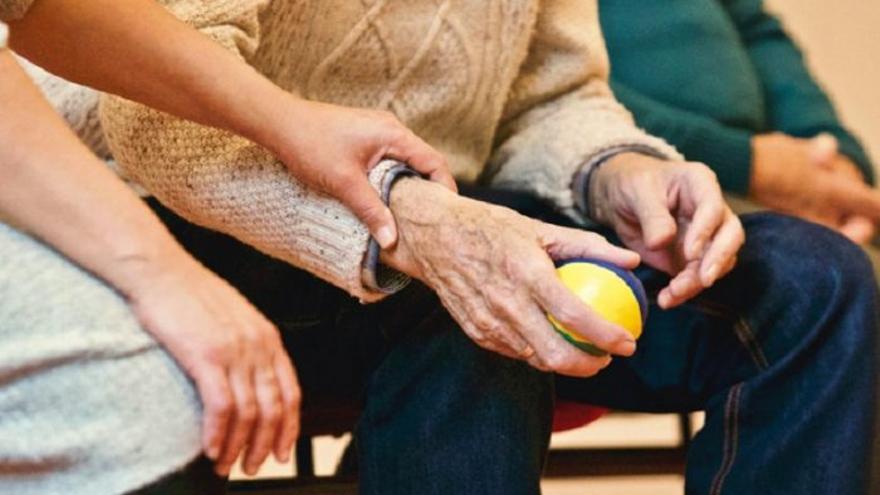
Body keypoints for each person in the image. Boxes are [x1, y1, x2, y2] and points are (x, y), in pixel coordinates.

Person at [20, 1, 880, 494]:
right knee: (476, 304)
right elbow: (151, 119)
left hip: (451, 219)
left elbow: (551, 96)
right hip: (201, 224)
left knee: (814, 284)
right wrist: (414, 226)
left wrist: (618, 171)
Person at [0, 0, 453, 492]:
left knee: (465, 298)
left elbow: (37, 9)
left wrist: (293, 122)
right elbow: (141, 122)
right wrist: (162, 274)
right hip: (104, 186)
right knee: (140, 405)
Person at [599, 0, 880, 244]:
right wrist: (747, 164)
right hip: (656, 183)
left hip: (781, 174)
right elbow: (571, 95)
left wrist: (836, 155)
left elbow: (759, 33)